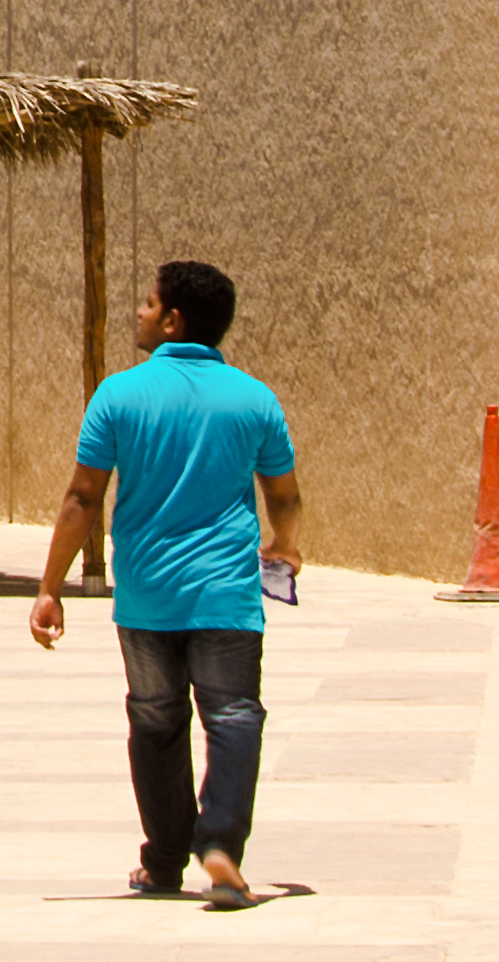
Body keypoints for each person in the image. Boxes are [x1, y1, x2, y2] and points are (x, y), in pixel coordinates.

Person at [29, 258, 306, 904]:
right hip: (227, 597)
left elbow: (81, 497)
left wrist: (51, 586)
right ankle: (219, 845)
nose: (139, 313)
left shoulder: (118, 396)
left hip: (146, 597)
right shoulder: (254, 399)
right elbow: (284, 497)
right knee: (234, 715)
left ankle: (162, 862)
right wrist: (285, 547)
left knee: (155, 722)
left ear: (174, 319)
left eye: (148, 304)